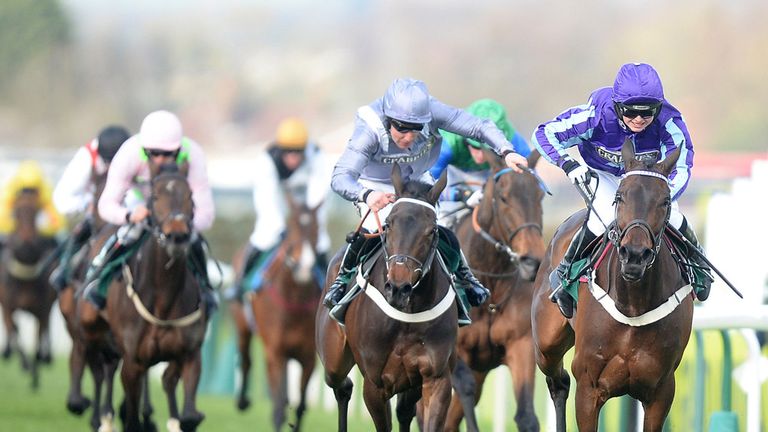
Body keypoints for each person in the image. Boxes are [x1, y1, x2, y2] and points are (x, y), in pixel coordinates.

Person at [325, 77, 528, 325]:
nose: (409, 137)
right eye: (401, 128)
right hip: (374, 185)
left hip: (417, 178)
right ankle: (342, 281)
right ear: (388, 119)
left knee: (438, 226)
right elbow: (340, 177)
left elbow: (478, 126)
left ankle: (464, 278)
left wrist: (506, 150)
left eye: (416, 129)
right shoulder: (368, 131)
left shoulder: (432, 112)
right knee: (373, 229)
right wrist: (367, 195)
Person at [531, 62, 713, 319]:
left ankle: (698, 265)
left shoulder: (670, 122)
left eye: (647, 112)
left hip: (649, 181)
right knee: (605, 216)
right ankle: (566, 272)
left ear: (658, 108)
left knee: (672, 216)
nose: (639, 119)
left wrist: (664, 196)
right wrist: (568, 164)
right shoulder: (594, 115)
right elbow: (544, 133)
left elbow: (683, 163)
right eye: (630, 112)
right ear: (617, 107)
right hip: (605, 175)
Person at [82, 110, 217, 313]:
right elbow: (106, 205)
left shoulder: (194, 155)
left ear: (179, 150)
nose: (161, 160)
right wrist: (129, 215)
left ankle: (206, 290)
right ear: (145, 149)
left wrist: (183, 224)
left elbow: (206, 212)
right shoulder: (129, 154)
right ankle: (98, 280)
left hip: (176, 212)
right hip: (139, 204)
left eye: (168, 154)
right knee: (127, 234)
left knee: (195, 241)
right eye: (154, 154)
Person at [228, 117, 333, 301]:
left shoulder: (316, 156)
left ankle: (330, 290)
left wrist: (308, 226)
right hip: (279, 206)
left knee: (322, 241)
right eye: (288, 152)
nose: (293, 157)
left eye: (297, 152)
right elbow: (267, 200)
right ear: (280, 149)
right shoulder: (267, 160)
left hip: (306, 210)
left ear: (304, 149)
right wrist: (282, 229)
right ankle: (239, 284)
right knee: (264, 236)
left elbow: (319, 195)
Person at [50, 125, 131, 292]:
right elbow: (61, 200)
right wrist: (88, 204)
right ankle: (64, 271)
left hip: (128, 214)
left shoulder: (137, 155)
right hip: (93, 215)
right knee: (78, 233)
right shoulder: (86, 158)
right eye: (108, 162)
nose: (111, 168)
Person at [429, 98, 531, 226]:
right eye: (476, 147)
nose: (481, 156)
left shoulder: (514, 141)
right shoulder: (447, 144)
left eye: (489, 149)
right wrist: (460, 195)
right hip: (452, 176)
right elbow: (427, 186)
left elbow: (533, 182)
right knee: (443, 219)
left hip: (492, 175)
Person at [0, 160, 65, 242]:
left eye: (32, 192)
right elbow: (1, 221)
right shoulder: (9, 195)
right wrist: (17, 227)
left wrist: (38, 229)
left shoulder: (45, 196)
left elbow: (59, 224)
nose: (28, 198)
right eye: (25, 191)